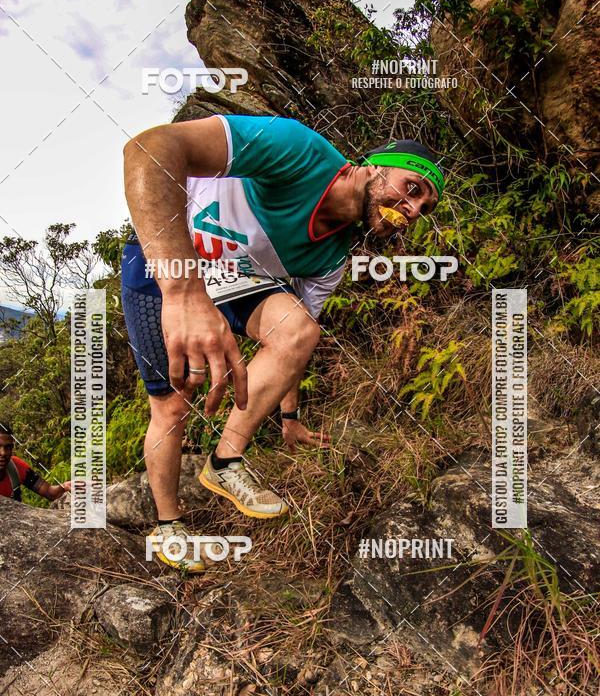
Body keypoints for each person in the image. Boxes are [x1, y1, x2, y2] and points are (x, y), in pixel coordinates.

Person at [122, 115, 443, 572]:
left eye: (423, 208)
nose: (411, 210)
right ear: (375, 167)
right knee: (172, 405)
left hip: (234, 276)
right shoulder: (298, 150)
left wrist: (289, 418)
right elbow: (147, 147)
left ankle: (224, 462)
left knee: (300, 328)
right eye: (411, 189)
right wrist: (183, 292)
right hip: (166, 259)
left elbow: (295, 345)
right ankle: (168, 525)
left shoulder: (332, 255)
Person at [0, 422, 71, 502]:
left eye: (8, 447)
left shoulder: (15, 466)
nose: (3, 453)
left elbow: (49, 492)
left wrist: (64, 487)